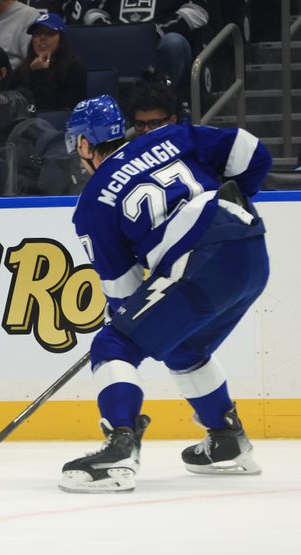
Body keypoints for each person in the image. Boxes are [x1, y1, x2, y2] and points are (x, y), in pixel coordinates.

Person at [60, 95, 272, 493]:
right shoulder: (170, 136)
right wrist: (234, 205)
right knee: (183, 347)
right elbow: (253, 151)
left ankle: (119, 448)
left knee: (114, 344)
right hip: (251, 249)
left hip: (202, 262)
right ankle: (226, 441)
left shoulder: (91, 205)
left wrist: (125, 330)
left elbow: (124, 292)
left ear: (85, 145)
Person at [77, 0, 209, 89]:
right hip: (117, 45)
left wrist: (154, 32)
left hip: (159, 45)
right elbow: (92, 13)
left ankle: (162, 101)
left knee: (174, 42)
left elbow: (198, 12)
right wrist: (115, 32)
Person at [14, 12, 86, 112]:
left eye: (49, 33)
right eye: (37, 33)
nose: (42, 38)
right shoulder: (23, 69)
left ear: (61, 38)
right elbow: (18, 105)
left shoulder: (74, 68)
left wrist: (40, 74)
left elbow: (57, 109)